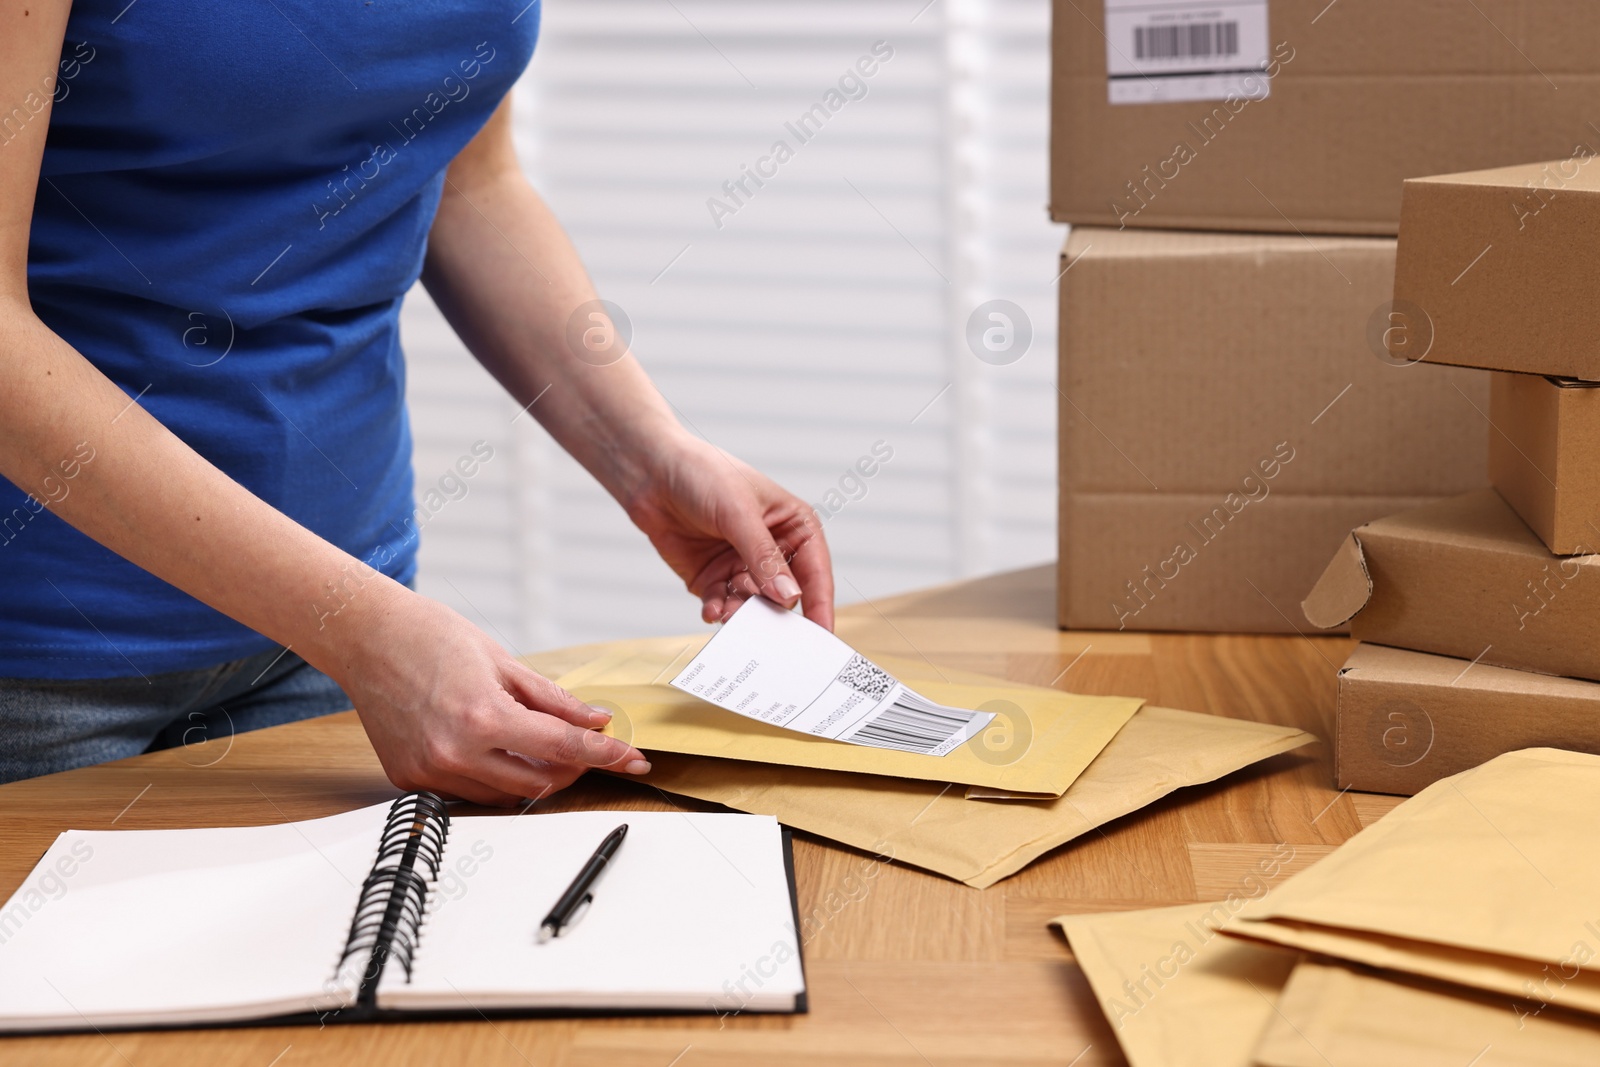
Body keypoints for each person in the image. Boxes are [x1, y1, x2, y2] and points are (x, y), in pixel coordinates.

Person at [0, 2, 833, 803]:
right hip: (40, 656)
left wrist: (651, 453)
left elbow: (469, 179)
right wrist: (359, 629)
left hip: (335, 620)